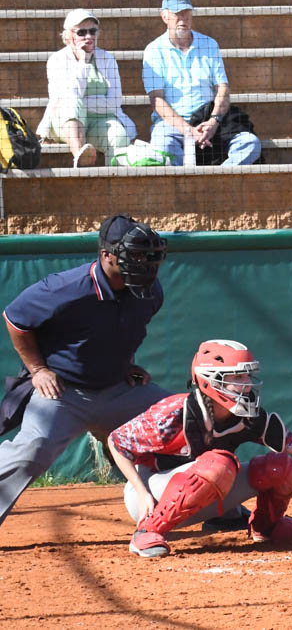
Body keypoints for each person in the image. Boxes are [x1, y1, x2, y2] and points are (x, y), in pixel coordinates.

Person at [108, 339, 292, 558]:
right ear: (210, 381)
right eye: (237, 377)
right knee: (219, 463)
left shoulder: (246, 414)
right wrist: (142, 493)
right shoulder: (176, 412)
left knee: (282, 467)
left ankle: (265, 526)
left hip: (201, 486)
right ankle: (147, 532)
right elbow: (116, 442)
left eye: (247, 376)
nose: (247, 384)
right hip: (150, 497)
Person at [0, 214, 170, 528]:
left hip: (117, 390)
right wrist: (37, 369)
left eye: (149, 255)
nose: (145, 263)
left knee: (184, 417)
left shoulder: (149, 291)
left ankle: (218, 508)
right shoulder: (66, 288)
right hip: (63, 392)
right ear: (107, 255)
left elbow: (123, 328)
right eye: (135, 255)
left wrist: (126, 364)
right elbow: (15, 319)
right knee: (33, 450)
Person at [142, 0, 261, 166]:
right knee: (161, 143)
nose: (183, 19)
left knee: (250, 144)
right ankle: (185, 181)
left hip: (210, 120)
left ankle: (218, 179)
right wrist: (188, 130)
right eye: (177, 14)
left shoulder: (209, 44)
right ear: (164, 16)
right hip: (173, 125)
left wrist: (213, 121)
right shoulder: (153, 50)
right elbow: (157, 100)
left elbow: (222, 88)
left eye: (187, 14)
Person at [36, 9, 137, 167]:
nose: (88, 36)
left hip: (100, 122)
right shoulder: (56, 60)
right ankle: (80, 155)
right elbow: (67, 98)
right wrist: (83, 63)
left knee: (118, 136)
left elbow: (114, 102)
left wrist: (82, 103)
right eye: (82, 32)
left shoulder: (108, 59)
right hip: (66, 124)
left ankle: (116, 180)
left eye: (92, 31)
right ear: (69, 36)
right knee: (72, 103)